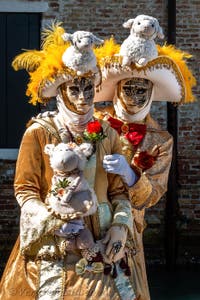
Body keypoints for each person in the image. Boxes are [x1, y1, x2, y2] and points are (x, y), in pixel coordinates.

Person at [0, 24, 138, 300]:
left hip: (103, 238)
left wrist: (121, 227)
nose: (84, 98)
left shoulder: (107, 131)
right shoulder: (39, 132)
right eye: (74, 89)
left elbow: (118, 192)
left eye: (89, 88)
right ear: (60, 90)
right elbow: (25, 190)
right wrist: (59, 223)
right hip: (55, 236)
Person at [93, 29, 196, 299]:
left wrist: (131, 175)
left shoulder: (161, 140)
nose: (136, 95)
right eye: (129, 87)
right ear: (116, 88)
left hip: (127, 231)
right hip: (86, 219)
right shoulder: (94, 123)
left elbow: (152, 196)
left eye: (143, 89)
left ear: (152, 92)